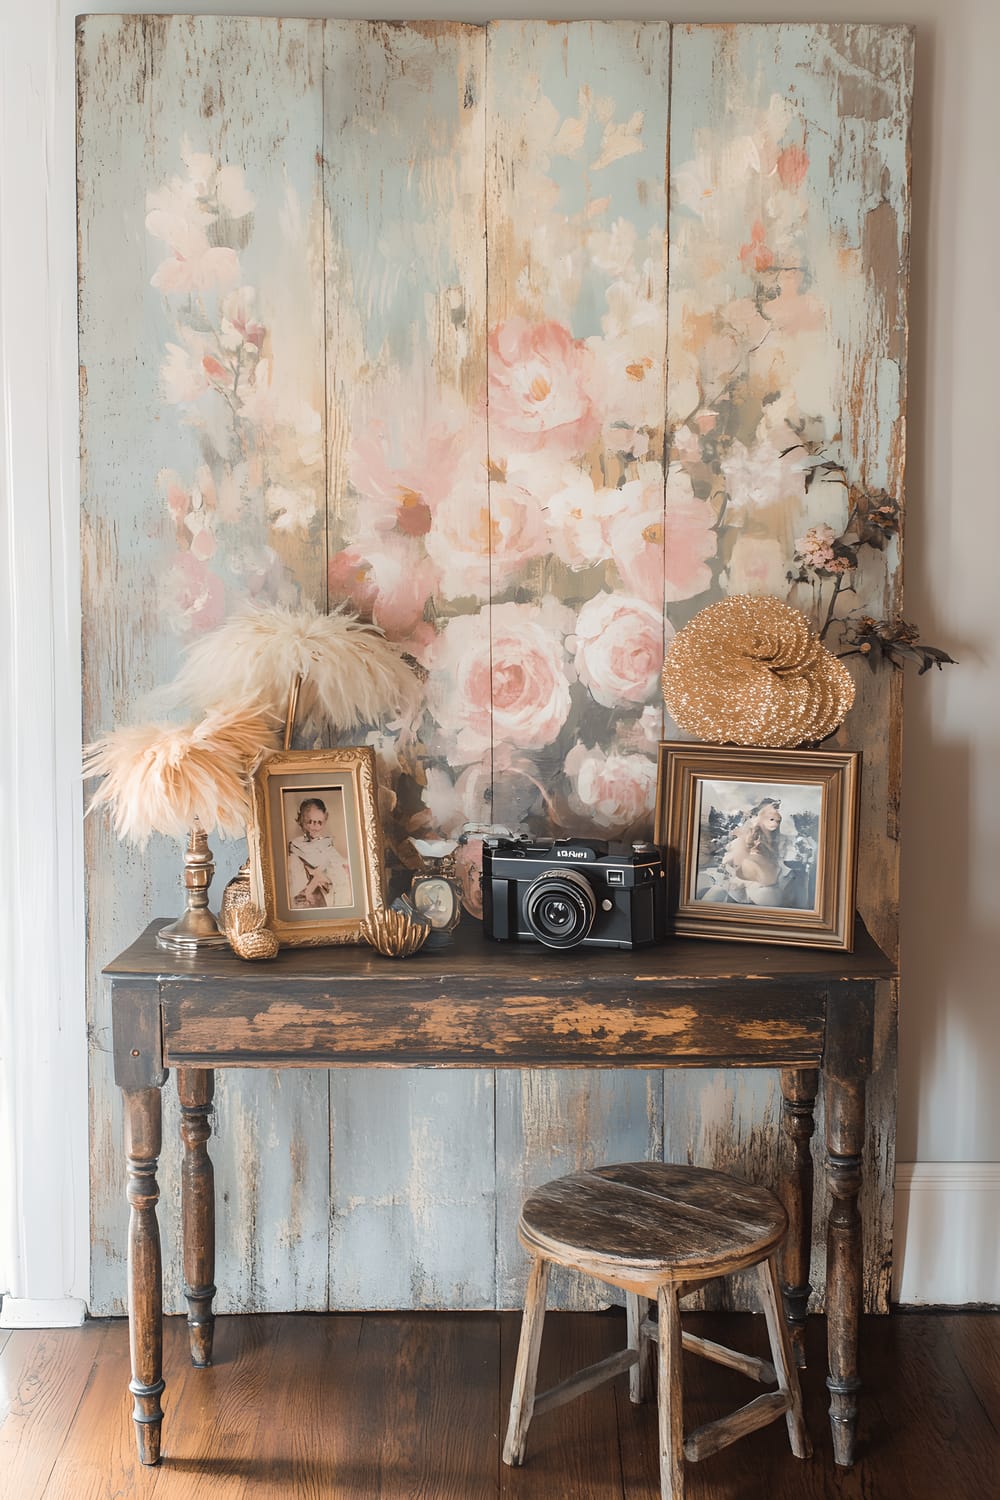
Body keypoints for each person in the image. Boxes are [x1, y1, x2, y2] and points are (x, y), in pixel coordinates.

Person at [701, 798, 801, 907]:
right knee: (718, 892)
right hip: (740, 886)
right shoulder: (744, 840)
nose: (775, 817)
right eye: (769, 812)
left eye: (776, 813)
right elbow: (729, 865)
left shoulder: (785, 843)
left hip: (769, 891)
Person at [287, 797, 353, 909]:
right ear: (302, 821)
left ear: (324, 821)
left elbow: (337, 865)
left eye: (319, 822)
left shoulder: (325, 844)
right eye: (310, 822)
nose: (315, 827)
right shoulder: (296, 844)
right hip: (309, 885)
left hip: (326, 885)